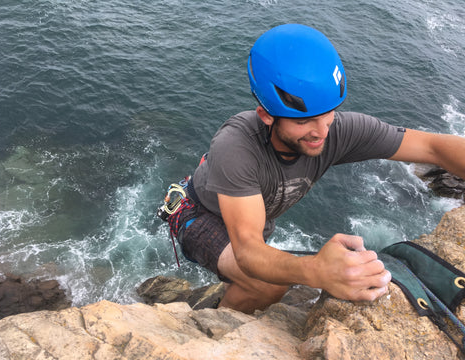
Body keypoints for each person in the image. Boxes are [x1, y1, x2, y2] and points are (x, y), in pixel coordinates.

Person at [164, 23, 465, 314]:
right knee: (267, 285)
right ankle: (214, 326)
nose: (321, 131)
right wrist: (317, 271)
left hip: (250, 215)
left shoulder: (338, 131)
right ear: (266, 116)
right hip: (198, 213)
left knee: (273, 275)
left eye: (327, 114)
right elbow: (247, 251)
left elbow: (432, 147)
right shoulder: (235, 145)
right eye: (302, 121)